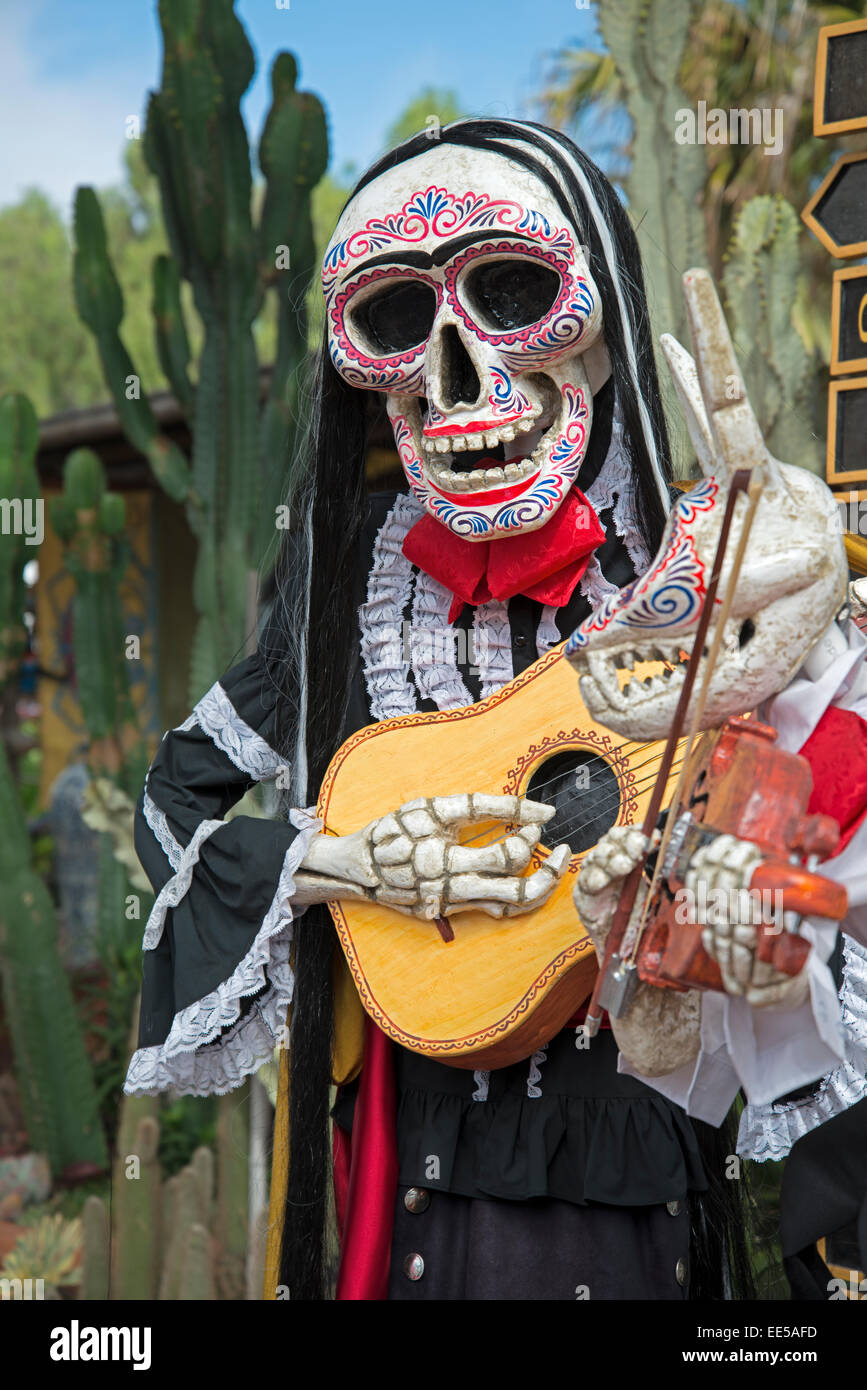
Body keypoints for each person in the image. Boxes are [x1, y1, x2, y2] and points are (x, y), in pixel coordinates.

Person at [128, 119, 826, 1301]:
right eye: (396, 322)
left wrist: (825, 619)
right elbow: (173, 796)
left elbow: (827, 834)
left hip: (641, 1167)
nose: (450, 372)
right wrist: (344, 866)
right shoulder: (348, 597)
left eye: (511, 291)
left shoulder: (706, 561)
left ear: (600, 313)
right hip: (425, 1162)